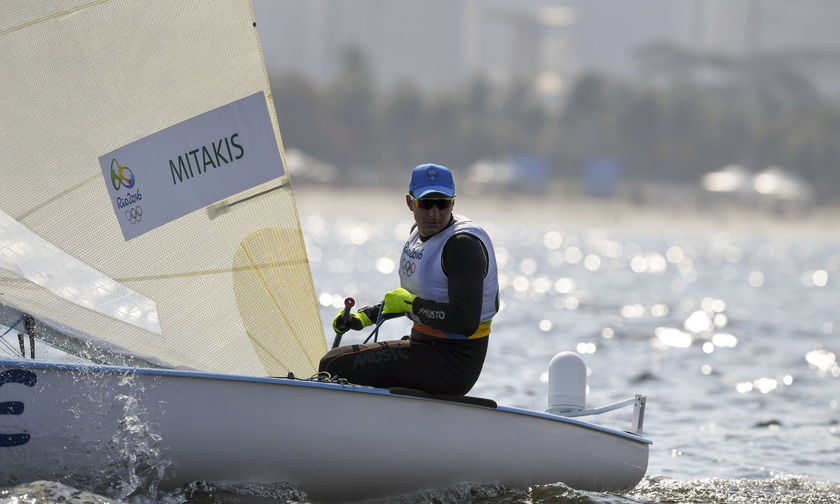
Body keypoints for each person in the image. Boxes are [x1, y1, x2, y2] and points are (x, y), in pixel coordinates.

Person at [318, 163, 499, 396]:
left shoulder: (462, 246)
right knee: (340, 361)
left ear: (453, 202)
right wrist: (366, 316)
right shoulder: (419, 235)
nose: (434, 213)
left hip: (454, 363)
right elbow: (419, 296)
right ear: (410, 202)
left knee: (334, 365)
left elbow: (465, 322)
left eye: (442, 204)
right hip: (426, 347)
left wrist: (412, 305)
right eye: (425, 204)